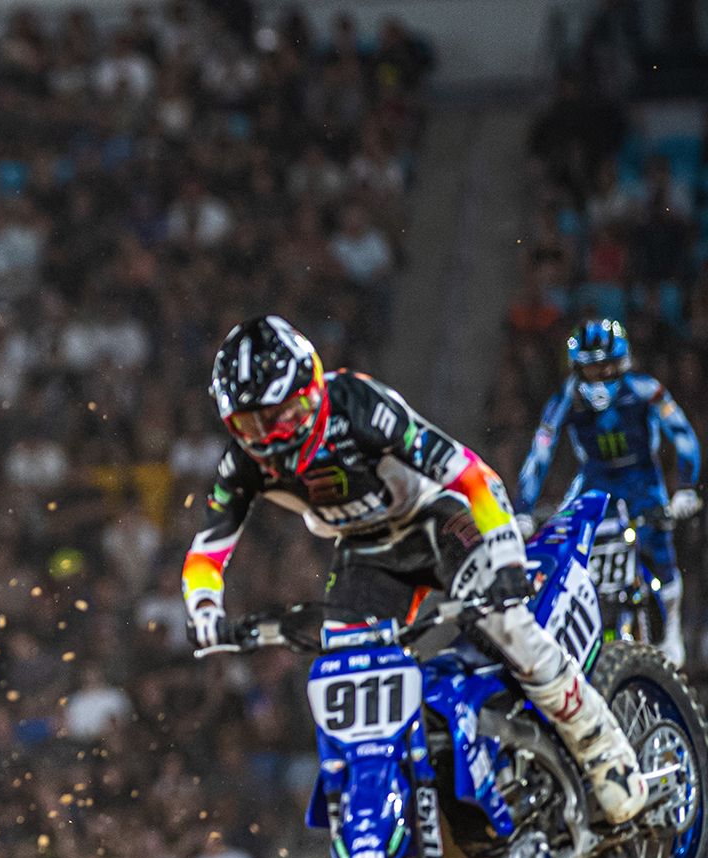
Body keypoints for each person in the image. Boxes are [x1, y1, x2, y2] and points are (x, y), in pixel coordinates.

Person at [182, 315, 646, 824]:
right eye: (250, 425)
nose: (269, 437)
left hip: (435, 521)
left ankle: (601, 745)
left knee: (507, 624)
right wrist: (204, 610)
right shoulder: (242, 463)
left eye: (280, 416)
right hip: (365, 552)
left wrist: (506, 557)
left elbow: (470, 473)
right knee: (346, 669)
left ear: (310, 389)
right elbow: (208, 549)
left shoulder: (356, 405)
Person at [515, 319, 701, 667]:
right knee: (564, 545)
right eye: (590, 369)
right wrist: (524, 509)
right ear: (576, 368)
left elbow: (682, 435)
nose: (599, 377)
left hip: (642, 479)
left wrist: (686, 490)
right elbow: (540, 452)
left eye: (606, 367)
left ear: (622, 362)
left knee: (660, 545)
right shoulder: (566, 398)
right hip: (594, 480)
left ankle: (671, 627)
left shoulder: (646, 390)